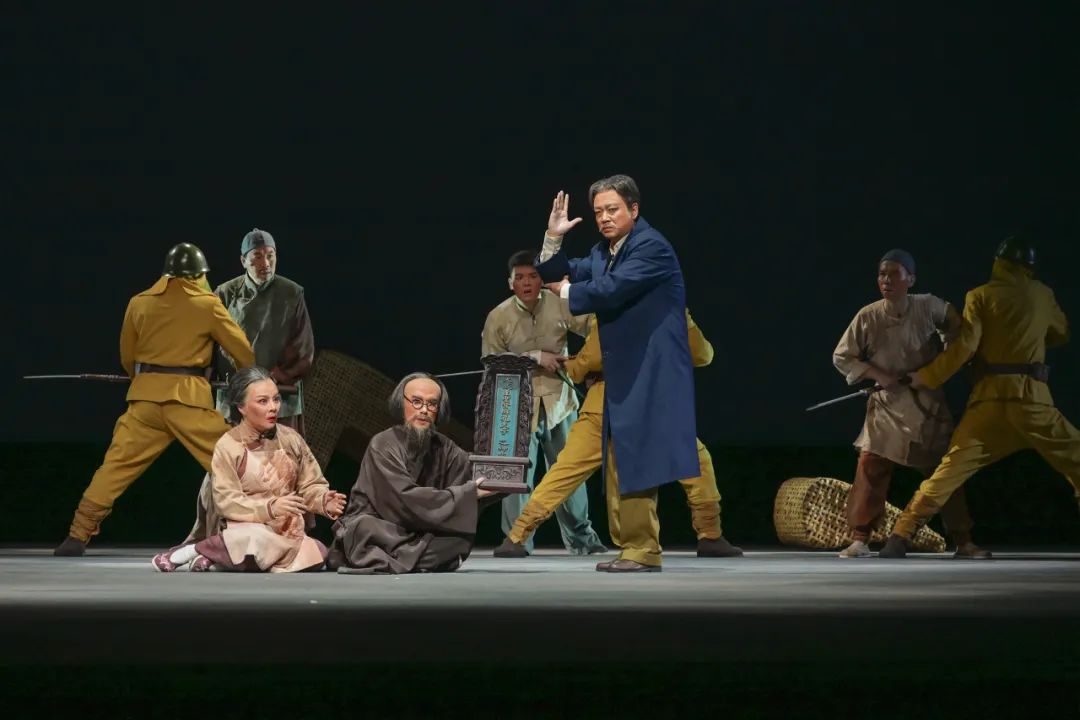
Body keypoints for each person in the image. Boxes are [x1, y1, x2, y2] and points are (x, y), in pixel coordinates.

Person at [534, 175, 699, 572]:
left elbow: (612, 289)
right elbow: (560, 269)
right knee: (623, 458)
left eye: (612, 210)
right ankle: (633, 547)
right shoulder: (605, 251)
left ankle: (643, 549)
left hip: (651, 371)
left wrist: (566, 291)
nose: (604, 218)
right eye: (598, 212)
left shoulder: (651, 247)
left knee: (640, 457)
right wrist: (553, 237)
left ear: (633, 209)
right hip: (626, 372)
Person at [881, 236, 1080, 557]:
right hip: (1033, 403)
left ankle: (901, 534)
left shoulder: (980, 296)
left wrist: (926, 376)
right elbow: (1061, 332)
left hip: (989, 404)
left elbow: (965, 348)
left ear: (999, 263)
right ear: (1027, 267)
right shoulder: (1042, 294)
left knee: (950, 470)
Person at [54, 243, 255, 557]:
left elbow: (127, 356)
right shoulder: (207, 305)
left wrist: (146, 382)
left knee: (114, 469)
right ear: (197, 275)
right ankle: (263, 526)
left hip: (145, 401)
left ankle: (77, 534)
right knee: (234, 460)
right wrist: (248, 382)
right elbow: (243, 352)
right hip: (189, 401)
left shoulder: (140, 303)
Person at [494, 309, 744, 559]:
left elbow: (591, 359)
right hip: (652, 403)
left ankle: (517, 535)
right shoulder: (668, 313)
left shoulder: (614, 311)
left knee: (566, 472)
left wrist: (571, 366)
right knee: (696, 462)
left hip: (610, 405)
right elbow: (702, 354)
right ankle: (710, 535)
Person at [832, 249, 988, 559]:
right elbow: (842, 356)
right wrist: (879, 375)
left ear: (911, 279)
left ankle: (963, 539)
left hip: (926, 405)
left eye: (894, 274)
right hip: (886, 405)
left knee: (944, 473)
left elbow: (958, 331)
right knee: (870, 468)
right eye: (882, 274)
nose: (886, 280)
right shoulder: (868, 316)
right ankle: (860, 538)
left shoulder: (929, 306)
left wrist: (939, 365)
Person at [152, 368, 347, 572]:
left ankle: (217, 560)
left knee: (318, 552)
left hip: (286, 531)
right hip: (244, 528)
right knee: (254, 539)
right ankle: (191, 552)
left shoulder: (291, 439)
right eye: (263, 401)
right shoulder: (229, 445)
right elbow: (227, 501)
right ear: (242, 407)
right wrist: (270, 508)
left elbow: (310, 484)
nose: (273, 407)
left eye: (276, 399)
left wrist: (323, 500)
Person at [481, 250, 606, 556]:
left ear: (541, 280)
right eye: (520, 277)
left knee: (569, 471)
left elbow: (596, 326)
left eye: (533, 276)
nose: (527, 283)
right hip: (516, 405)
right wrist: (534, 357)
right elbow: (491, 364)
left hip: (560, 402)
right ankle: (516, 540)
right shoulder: (498, 316)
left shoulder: (559, 304)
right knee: (516, 475)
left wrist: (586, 363)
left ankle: (582, 539)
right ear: (510, 283)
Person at [326, 373, 498, 574]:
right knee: (363, 528)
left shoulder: (444, 447)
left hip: (416, 532)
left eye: (432, 404)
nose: (424, 410)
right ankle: (416, 559)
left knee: (459, 539)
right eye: (417, 402)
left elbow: (473, 469)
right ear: (402, 404)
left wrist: (506, 474)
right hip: (383, 526)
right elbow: (404, 499)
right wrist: (468, 494)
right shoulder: (383, 444)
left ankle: (394, 558)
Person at [213, 228, 314, 433]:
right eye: (257, 256)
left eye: (270, 255)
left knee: (279, 451)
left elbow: (303, 347)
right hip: (236, 396)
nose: (266, 263)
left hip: (279, 396)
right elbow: (213, 341)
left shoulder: (291, 293)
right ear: (243, 261)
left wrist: (276, 376)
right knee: (234, 451)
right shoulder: (225, 293)